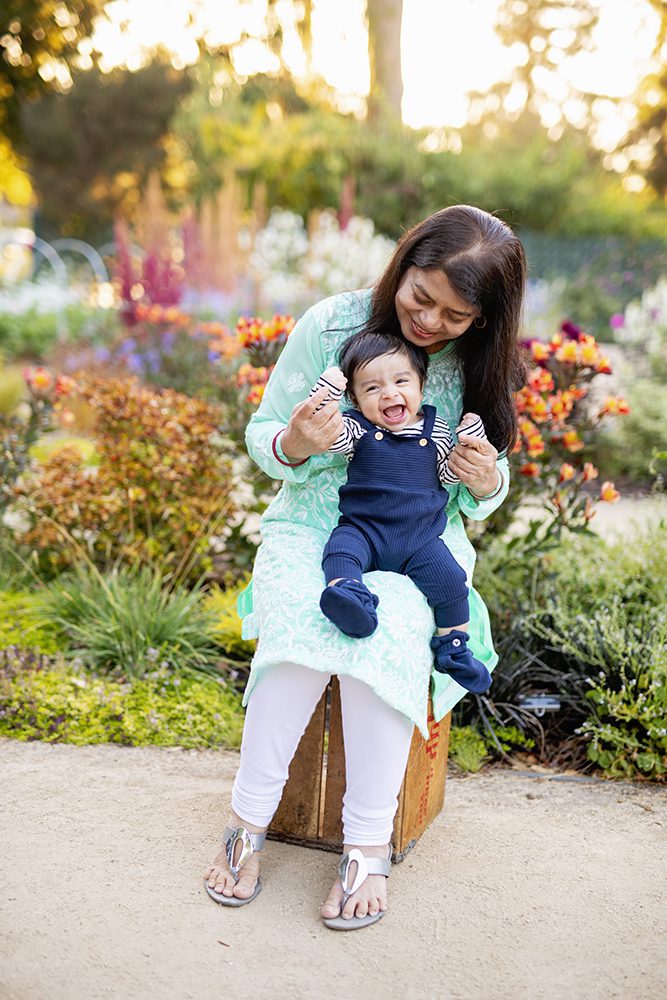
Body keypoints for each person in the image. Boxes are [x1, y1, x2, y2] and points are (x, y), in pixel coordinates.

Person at [204, 204, 526, 931]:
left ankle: (364, 848)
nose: (430, 323)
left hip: (418, 542)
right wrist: (294, 440)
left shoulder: (477, 361)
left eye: (455, 314)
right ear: (401, 267)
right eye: (421, 298)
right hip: (317, 529)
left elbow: (487, 487)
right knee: (300, 628)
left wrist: (483, 484)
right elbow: (264, 440)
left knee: (391, 633)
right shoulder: (330, 324)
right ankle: (244, 825)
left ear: (483, 319)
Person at [311, 336, 492, 693]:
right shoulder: (357, 428)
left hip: (420, 538)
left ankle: (453, 649)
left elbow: (446, 474)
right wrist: (324, 398)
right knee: (340, 551)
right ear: (356, 400)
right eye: (373, 387)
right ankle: (349, 595)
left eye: (401, 381)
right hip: (364, 528)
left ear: (421, 386)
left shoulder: (436, 431)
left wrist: (467, 451)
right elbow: (327, 436)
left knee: (452, 582)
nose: (389, 393)